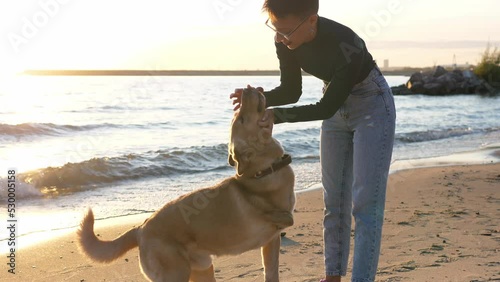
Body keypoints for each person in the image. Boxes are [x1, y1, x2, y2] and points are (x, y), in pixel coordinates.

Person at [230, 0, 395, 281]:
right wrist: (259, 99)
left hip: (371, 106)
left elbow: (324, 108)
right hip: (335, 104)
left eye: (287, 32)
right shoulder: (284, 40)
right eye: (275, 29)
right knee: (334, 201)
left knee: (366, 204)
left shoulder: (349, 45)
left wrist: (276, 117)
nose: (281, 38)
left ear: (311, 21)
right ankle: (332, 277)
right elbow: (292, 90)